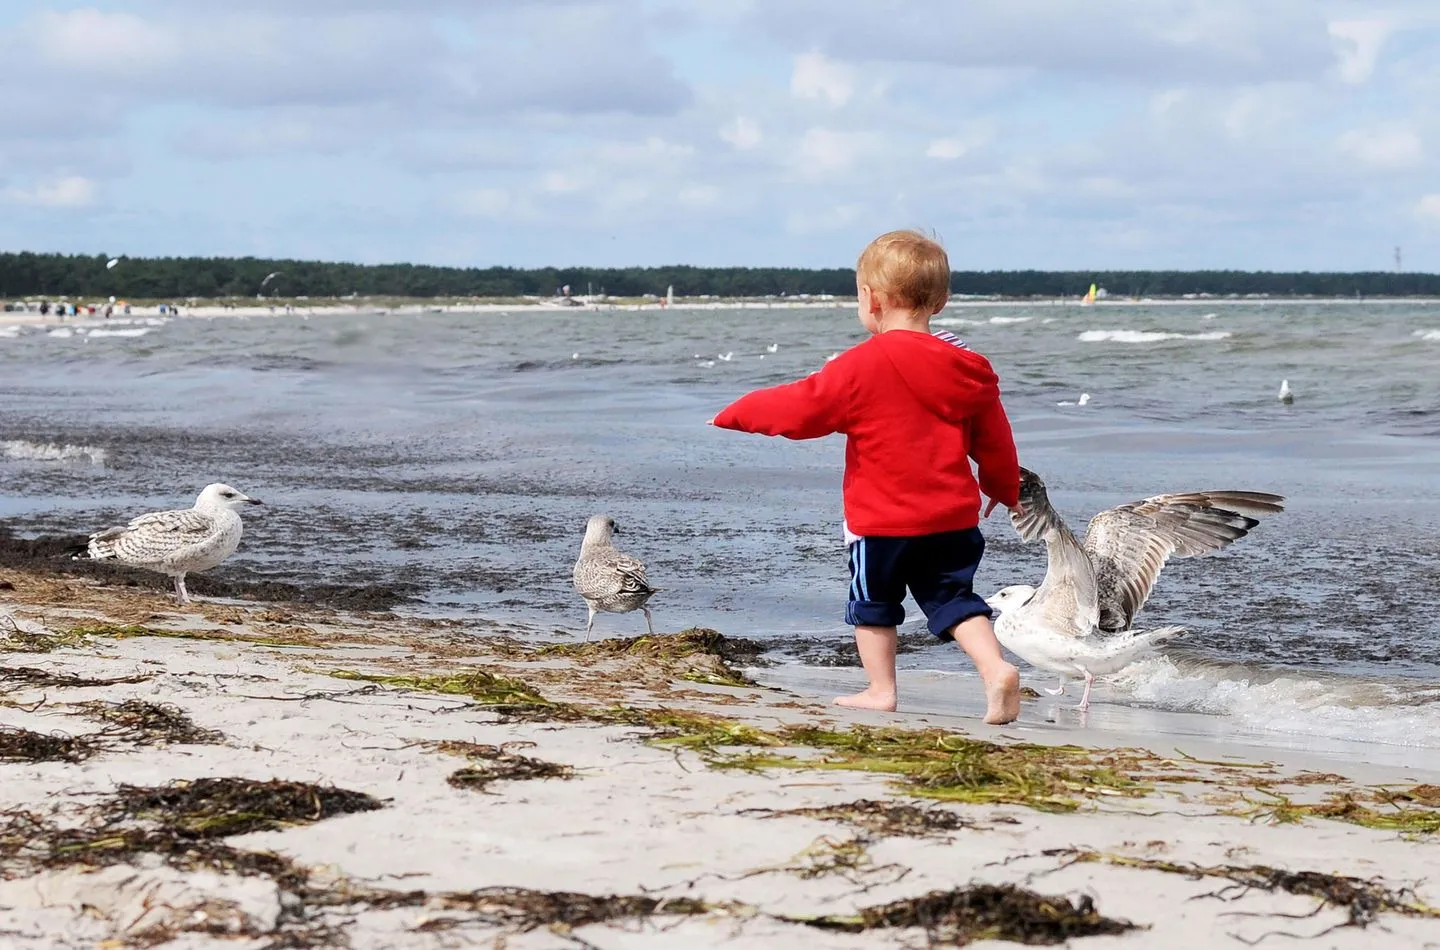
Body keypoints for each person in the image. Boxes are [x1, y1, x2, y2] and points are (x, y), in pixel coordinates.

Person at [710, 229, 1024, 724]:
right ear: (939, 302)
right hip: (952, 519)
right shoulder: (969, 368)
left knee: (873, 604)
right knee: (955, 599)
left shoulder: (859, 366)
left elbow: (801, 409)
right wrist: (1003, 487)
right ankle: (994, 668)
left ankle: (881, 689)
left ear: (871, 299)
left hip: (880, 524)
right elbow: (996, 439)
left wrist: (737, 412)